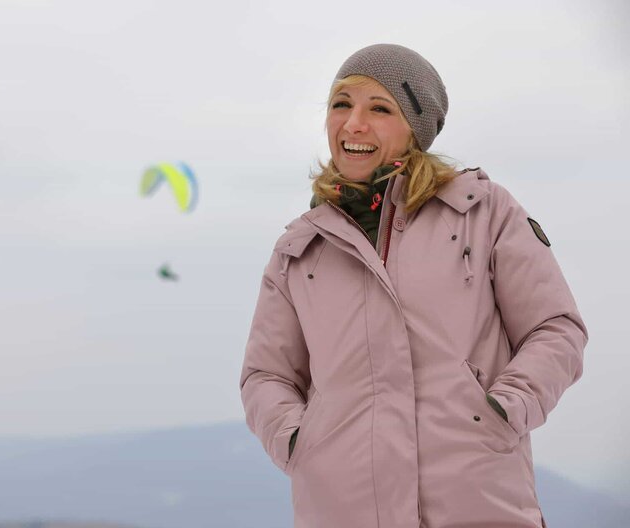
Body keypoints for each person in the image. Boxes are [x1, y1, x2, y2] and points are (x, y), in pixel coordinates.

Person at [239, 43, 587, 528]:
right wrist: (301, 442)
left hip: (477, 502)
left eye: (379, 108)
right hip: (340, 508)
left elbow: (556, 328)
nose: (353, 124)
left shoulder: (482, 213)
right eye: (342, 104)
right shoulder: (300, 249)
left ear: (415, 128)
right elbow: (266, 376)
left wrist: (502, 411)